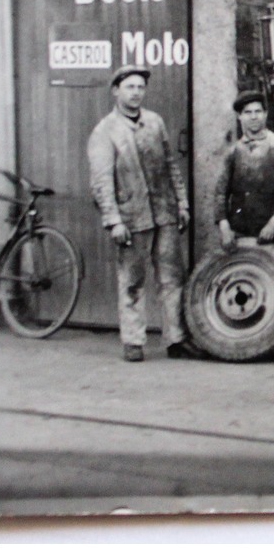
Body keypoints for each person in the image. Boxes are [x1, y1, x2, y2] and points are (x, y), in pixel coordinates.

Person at [86, 64, 203, 362]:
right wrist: (113, 221)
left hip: (164, 213)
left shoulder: (155, 122)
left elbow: (170, 165)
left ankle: (176, 339)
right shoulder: (105, 131)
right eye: (130, 87)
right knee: (132, 280)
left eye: (140, 87)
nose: (136, 93)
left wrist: (182, 203)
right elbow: (101, 181)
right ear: (116, 91)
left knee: (172, 278)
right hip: (131, 217)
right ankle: (133, 341)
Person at [210, 91, 274, 252]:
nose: (253, 117)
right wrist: (224, 226)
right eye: (248, 113)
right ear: (239, 116)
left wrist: (273, 223)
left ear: (265, 114)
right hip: (240, 230)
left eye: (258, 112)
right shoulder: (233, 151)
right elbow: (220, 192)